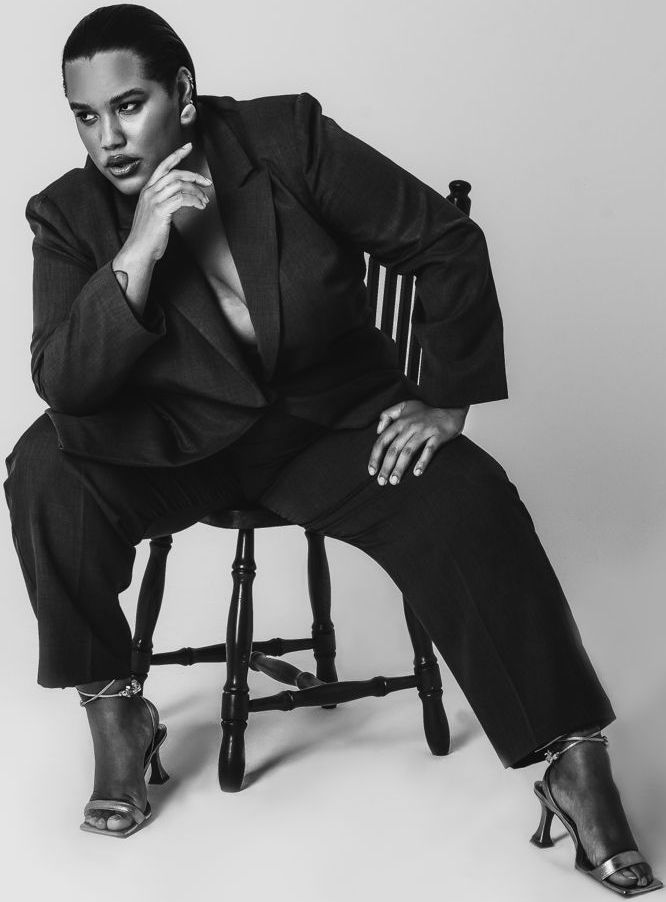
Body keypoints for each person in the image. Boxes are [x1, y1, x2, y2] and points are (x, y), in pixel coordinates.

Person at [3, 3, 661, 893]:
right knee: (42, 468)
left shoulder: (285, 140)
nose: (109, 138)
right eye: (87, 116)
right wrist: (140, 248)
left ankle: (572, 762)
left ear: (184, 95)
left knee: (469, 497)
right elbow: (67, 383)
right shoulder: (70, 214)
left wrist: (447, 398)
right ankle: (116, 711)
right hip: (179, 446)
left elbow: (443, 242)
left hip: (328, 426)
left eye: (129, 106)